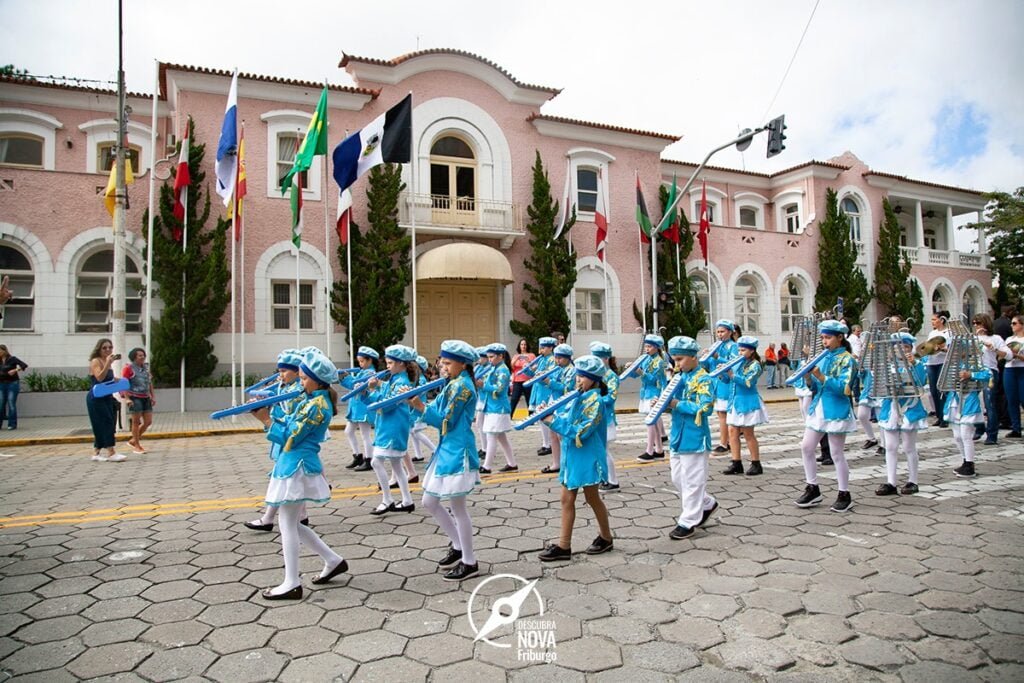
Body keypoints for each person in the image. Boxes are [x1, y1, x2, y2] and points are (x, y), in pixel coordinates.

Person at [251, 347, 347, 600]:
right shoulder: (312, 400)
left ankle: (291, 582)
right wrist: (270, 414)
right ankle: (332, 559)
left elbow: (291, 437)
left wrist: (266, 421)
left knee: (287, 524)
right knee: (290, 522)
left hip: (298, 465)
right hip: (293, 463)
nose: (300, 382)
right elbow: (291, 424)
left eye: (304, 378)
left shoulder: (317, 405)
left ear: (317, 380)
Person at [408, 339, 482, 581]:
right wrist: (414, 402)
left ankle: (469, 561)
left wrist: (420, 407)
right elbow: (436, 408)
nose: (442, 366)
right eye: (442, 361)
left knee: (458, 508)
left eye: (448, 363)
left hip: (458, 449)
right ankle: (458, 545)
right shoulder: (453, 383)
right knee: (429, 502)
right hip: (446, 448)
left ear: (463, 364)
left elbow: (444, 421)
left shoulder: (462, 387)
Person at [539, 355, 614, 562]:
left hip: (587, 458)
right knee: (567, 499)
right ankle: (565, 546)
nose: (578, 379)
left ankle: (605, 537)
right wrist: (549, 414)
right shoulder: (579, 396)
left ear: (594, 379)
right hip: (572, 456)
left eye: (582, 376)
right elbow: (566, 417)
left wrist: (553, 422)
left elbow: (582, 431)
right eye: (577, 375)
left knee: (591, 498)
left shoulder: (596, 401)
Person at [794, 320, 857, 512]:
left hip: (837, 409)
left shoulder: (848, 359)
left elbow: (845, 389)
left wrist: (822, 377)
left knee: (837, 452)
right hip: (818, 407)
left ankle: (844, 493)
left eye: (828, 338)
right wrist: (808, 377)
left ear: (840, 337)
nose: (824, 342)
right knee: (806, 446)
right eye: (822, 337)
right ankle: (812, 487)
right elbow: (814, 386)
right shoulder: (821, 357)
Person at [245, 349, 308, 532]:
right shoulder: (285, 387)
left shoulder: (297, 391)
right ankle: (300, 516)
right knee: (288, 481)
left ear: (297, 372)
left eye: (284, 371)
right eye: (279, 371)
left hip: (293, 440)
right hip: (285, 439)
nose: (280, 375)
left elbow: (289, 417)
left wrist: (268, 414)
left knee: (282, 480)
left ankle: (268, 518)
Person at [663, 336, 717, 539]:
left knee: (693, 480)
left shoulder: (703, 378)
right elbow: (672, 405)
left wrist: (677, 404)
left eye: (680, 359)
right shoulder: (678, 378)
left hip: (695, 436)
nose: (676, 364)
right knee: (677, 478)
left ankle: (688, 521)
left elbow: (705, 408)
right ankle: (706, 503)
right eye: (674, 360)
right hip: (678, 435)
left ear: (694, 357)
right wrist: (663, 406)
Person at [365, 345, 419, 515]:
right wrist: (374, 386)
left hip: (393, 428)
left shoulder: (401, 382)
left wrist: (371, 391)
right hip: (389, 426)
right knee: (396, 465)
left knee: (376, 461)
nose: (387, 366)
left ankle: (387, 499)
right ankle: (407, 501)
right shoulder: (395, 379)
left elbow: (385, 405)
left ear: (401, 364)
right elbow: (385, 392)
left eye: (390, 363)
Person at [875, 333, 929, 496]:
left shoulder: (917, 364)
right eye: (897, 348)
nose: (901, 351)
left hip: (910, 408)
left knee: (908, 446)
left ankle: (913, 480)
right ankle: (891, 481)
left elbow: (921, 381)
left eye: (905, 347)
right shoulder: (887, 366)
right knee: (890, 447)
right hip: (891, 408)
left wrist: (915, 365)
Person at [720, 336, 769, 476]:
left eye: (743, 350)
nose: (740, 353)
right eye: (739, 350)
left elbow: (748, 382)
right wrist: (723, 372)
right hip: (734, 401)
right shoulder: (736, 363)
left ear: (752, 351)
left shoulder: (755, 365)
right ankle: (736, 462)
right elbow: (726, 380)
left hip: (747, 401)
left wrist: (732, 375)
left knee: (748, 433)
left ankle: (756, 463)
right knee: (732, 432)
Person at [944, 348, 993, 479]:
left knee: (966, 434)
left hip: (969, 401)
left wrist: (971, 375)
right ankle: (965, 460)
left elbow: (988, 374)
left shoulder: (974, 363)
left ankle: (970, 464)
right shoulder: (952, 364)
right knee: (957, 436)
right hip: (954, 401)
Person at [700, 320, 739, 455]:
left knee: (723, 414)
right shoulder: (716, 346)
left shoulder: (733, 346)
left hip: (726, 383)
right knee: (720, 414)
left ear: (730, 332)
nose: (719, 334)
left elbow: (734, 363)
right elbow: (709, 365)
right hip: (716, 384)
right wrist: (706, 357)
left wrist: (718, 357)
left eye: (722, 331)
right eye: (718, 332)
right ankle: (727, 440)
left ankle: (724, 443)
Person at [339, 346, 380, 472]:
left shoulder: (370, 373)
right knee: (348, 431)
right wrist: (343, 378)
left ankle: (369, 459)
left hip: (363, 408)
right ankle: (358, 456)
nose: (360, 364)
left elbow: (355, 384)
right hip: (356, 408)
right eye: (359, 361)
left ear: (370, 361)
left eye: (362, 361)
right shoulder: (363, 372)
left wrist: (345, 377)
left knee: (365, 434)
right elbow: (352, 384)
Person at [479, 343, 517, 474]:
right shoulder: (494, 368)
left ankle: (487, 466)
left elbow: (499, 390)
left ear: (500, 356)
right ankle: (512, 463)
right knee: (501, 437)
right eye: (488, 357)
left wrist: (483, 385)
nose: (489, 360)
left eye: (491, 357)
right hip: (492, 407)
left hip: (498, 408)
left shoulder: (503, 370)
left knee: (491, 436)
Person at [86, 339, 125, 462]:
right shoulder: (96, 361)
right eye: (104, 348)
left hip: (107, 396)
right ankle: (111, 452)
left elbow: (110, 379)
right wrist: (108, 363)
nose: (108, 350)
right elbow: (100, 378)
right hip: (96, 397)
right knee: (106, 422)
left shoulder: (106, 361)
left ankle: (96, 452)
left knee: (107, 422)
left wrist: (123, 384)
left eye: (110, 347)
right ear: (99, 349)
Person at [973, 314, 1010, 445]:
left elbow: (1008, 354)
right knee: (973, 402)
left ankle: (992, 434)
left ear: (985, 324)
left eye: (978, 323)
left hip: (989, 371)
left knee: (990, 403)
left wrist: (993, 348)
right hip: (974, 372)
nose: (976, 326)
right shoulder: (973, 338)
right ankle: (979, 427)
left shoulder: (995, 338)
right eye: (974, 323)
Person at [590, 341, 620, 491]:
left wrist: (595, 400)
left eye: (598, 358)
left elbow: (611, 397)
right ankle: (604, 477)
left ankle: (613, 481)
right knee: (599, 450)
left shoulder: (611, 376)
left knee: (604, 450)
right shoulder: (597, 374)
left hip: (606, 418)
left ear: (606, 359)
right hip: (597, 417)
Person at [542, 343, 576, 474]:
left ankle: (567, 462)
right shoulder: (557, 368)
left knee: (562, 435)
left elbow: (566, 388)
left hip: (565, 404)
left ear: (567, 358)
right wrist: (542, 378)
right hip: (555, 403)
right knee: (552, 434)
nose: (557, 361)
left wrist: (549, 382)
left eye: (560, 358)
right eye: (556, 358)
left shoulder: (571, 370)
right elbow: (550, 383)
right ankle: (556, 463)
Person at [634, 334, 667, 462]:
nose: (646, 349)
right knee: (655, 423)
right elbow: (637, 375)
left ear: (656, 347)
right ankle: (659, 450)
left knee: (651, 422)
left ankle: (650, 450)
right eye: (646, 346)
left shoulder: (659, 361)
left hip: (654, 393)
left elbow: (653, 380)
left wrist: (641, 372)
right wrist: (632, 369)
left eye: (649, 346)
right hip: (645, 392)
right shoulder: (646, 359)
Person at [523, 337, 557, 457]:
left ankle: (548, 444)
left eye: (543, 347)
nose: (540, 350)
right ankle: (545, 443)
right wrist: (527, 370)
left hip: (546, 392)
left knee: (545, 417)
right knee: (540, 419)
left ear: (550, 348)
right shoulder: (541, 360)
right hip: (538, 390)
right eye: (540, 347)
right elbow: (534, 374)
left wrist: (538, 374)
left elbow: (549, 377)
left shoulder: (552, 360)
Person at [121, 348, 155, 454]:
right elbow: (124, 384)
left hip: (145, 397)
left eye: (143, 355)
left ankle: (133, 440)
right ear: (134, 357)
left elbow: (149, 383)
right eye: (139, 355)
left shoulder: (145, 369)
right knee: (136, 422)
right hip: (135, 397)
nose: (142, 357)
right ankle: (137, 445)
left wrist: (152, 396)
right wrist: (127, 398)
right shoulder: (129, 368)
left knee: (148, 421)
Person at [925, 311, 951, 427]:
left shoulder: (948, 333)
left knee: (942, 390)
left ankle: (945, 416)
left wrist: (942, 349)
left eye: (934, 320)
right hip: (932, 362)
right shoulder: (932, 333)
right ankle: (939, 416)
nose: (932, 322)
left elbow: (950, 349)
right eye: (932, 320)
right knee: (933, 391)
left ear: (942, 320)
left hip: (943, 362)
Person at [993, 305, 1015, 429]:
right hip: (1005, 359)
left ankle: (999, 417)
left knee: (996, 391)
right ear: (1009, 312)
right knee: (1004, 392)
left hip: (996, 359)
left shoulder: (995, 323)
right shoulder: (1008, 324)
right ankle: (1006, 419)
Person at [1004, 315, 1024, 439]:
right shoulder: (1009, 339)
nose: (1012, 326)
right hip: (1009, 369)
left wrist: (1018, 356)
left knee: (1023, 398)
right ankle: (1016, 428)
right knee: (1011, 399)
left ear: (1022, 324)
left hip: (1022, 368)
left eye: (1014, 323)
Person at [0, 344, 29, 430]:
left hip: (12, 383)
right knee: (1, 404)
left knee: (11, 402)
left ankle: (12, 424)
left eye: (0, 351)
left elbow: (24, 365)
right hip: (1, 383)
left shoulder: (12, 359)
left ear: (5, 351)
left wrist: (15, 370)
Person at [509, 339, 536, 416]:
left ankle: (531, 417)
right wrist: (517, 358)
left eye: (525, 344)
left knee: (529, 399)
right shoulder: (516, 356)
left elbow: (534, 366)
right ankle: (510, 416)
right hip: (518, 380)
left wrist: (527, 362)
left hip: (528, 380)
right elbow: (512, 366)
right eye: (522, 344)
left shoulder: (531, 355)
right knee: (514, 398)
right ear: (519, 346)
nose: (523, 346)